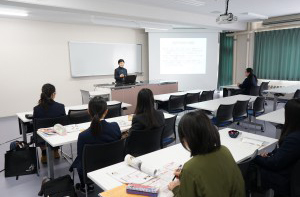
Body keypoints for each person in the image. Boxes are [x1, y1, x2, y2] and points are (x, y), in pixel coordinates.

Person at [168, 110, 245, 197]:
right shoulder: (224, 150)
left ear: (187, 139)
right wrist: (185, 176)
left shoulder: (190, 168)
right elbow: (213, 177)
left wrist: (175, 188)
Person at [70, 96, 121, 194]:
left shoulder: (83, 135)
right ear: (106, 111)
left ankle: (87, 186)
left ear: (88, 111)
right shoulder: (115, 127)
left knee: (78, 160)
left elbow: (81, 158)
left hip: (90, 170)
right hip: (113, 165)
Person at [253, 99, 300, 196]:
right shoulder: (296, 134)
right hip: (290, 170)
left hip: (285, 177)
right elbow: (285, 154)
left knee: (251, 166)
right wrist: (271, 154)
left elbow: (275, 163)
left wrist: (256, 157)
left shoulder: (294, 139)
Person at [33, 83, 66, 164]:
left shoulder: (37, 109)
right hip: (58, 134)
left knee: (39, 130)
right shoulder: (61, 107)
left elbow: (35, 126)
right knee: (57, 128)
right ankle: (55, 150)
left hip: (43, 137)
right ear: (53, 94)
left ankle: (44, 154)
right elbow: (64, 124)